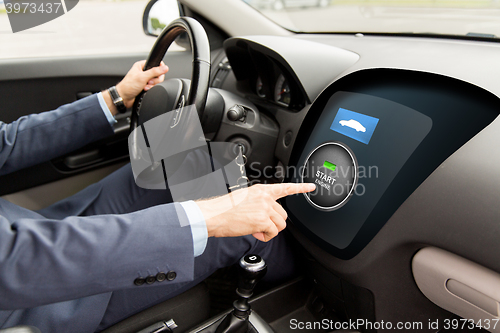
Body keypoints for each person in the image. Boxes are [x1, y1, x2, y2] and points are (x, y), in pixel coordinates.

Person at [0, 60, 315, 332]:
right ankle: (312, 291)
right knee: (242, 230)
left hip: (31, 230)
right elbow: (16, 261)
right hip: (33, 297)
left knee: (195, 165)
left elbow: (5, 143)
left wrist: (116, 98)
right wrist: (211, 216)